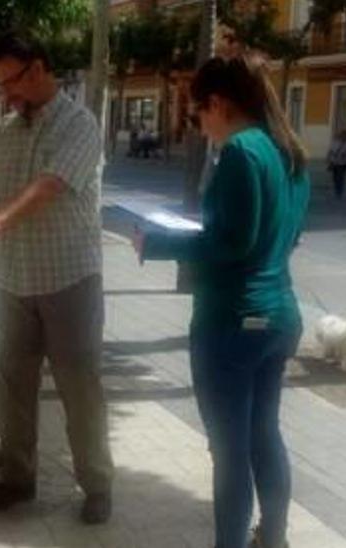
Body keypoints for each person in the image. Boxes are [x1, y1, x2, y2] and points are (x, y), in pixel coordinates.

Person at [0, 30, 113, 525]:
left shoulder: (79, 125)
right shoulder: (6, 133)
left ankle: (97, 484)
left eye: (9, 83)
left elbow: (47, 187)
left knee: (80, 388)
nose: (5, 96)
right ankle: (16, 478)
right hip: (12, 281)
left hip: (69, 279)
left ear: (37, 70)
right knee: (12, 385)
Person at [135, 56, 310, 548]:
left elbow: (231, 243)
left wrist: (157, 243)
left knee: (230, 452)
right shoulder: (290, 154)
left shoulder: (240, 154)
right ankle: (272, 538)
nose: (199, 126)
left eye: (197, 115)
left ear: (218, 103)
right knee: (264, 435)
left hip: (232, 322)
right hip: (279, 318)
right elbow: (287, 236)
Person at [326, 130, 346, 199]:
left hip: (343, 163)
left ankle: (339, 191)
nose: (343, 136)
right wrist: (328, 158)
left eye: (344, 135)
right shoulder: (335, 142)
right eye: (342, 135)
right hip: (335, 162)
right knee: (335, 178)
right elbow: (330, 151)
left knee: (341, 177)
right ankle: (337, 189)